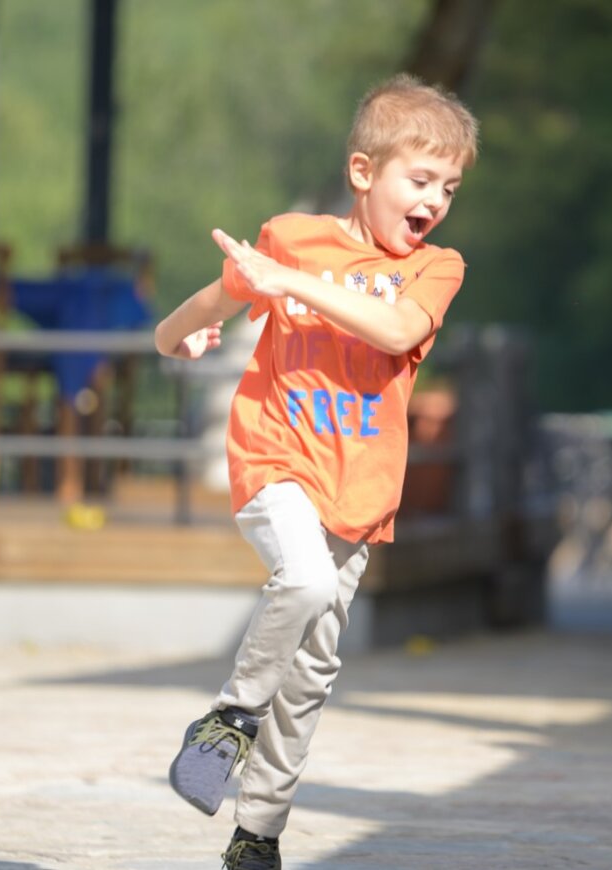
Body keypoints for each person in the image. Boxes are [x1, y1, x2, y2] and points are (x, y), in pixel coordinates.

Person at [153, 74, 478, 868]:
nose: (434, 200)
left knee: (309, 678)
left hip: (358, 491)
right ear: (364, 172)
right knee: (299, 580)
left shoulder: (436, 268)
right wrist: (178, 338)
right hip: (277, 459)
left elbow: (395, 332)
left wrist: (289, 283)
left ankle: (255, 836)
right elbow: (200, 309)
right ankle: (230, 717)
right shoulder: (291, 238)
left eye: (448, 187)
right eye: (421, 179)